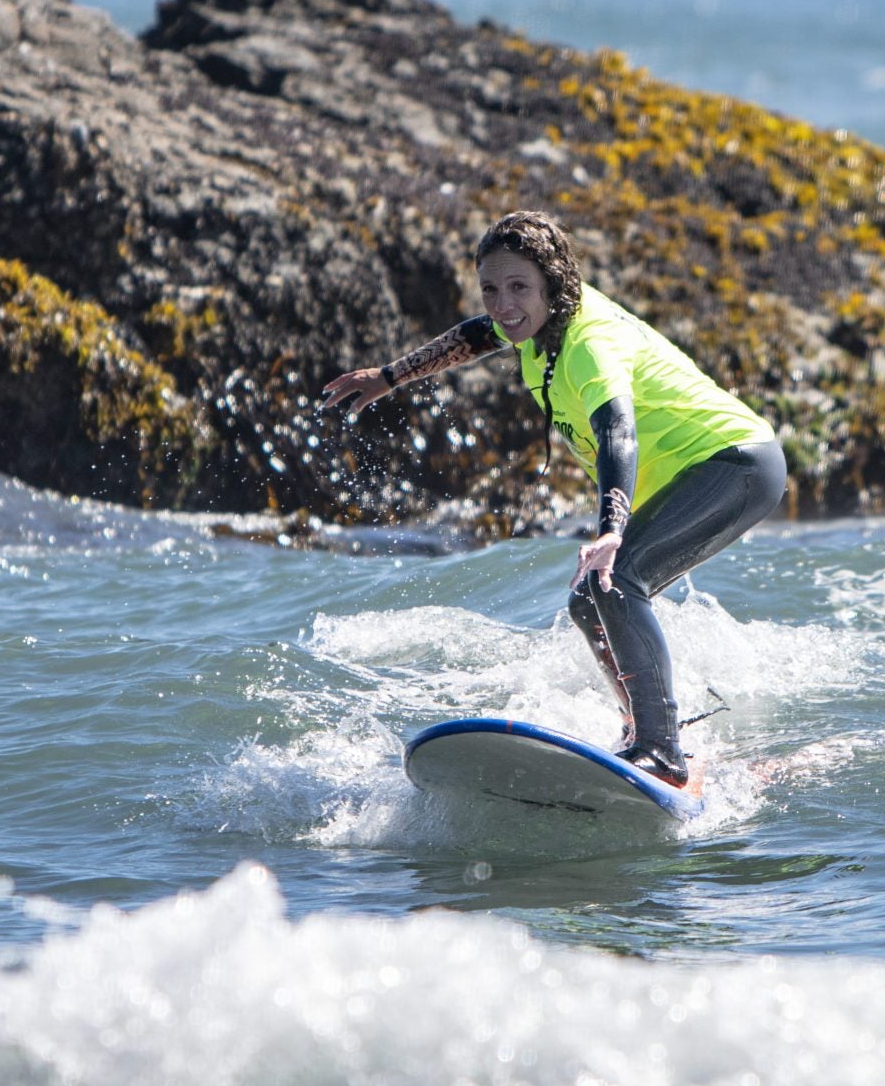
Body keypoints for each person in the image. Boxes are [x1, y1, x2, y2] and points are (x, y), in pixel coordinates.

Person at [320, 211, 786, 786]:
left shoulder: (589, 342)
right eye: (491, 288)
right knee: (590, 601)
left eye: (518, 288)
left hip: (735, 462)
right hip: (703, 470)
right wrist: (390, 376)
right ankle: (648, 731)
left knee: (618, 581)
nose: (502, 304)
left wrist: (612, 531)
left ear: (553, 285)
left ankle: (662, 753)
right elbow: (474, 336)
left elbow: (617, 430)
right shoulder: (538, 324)